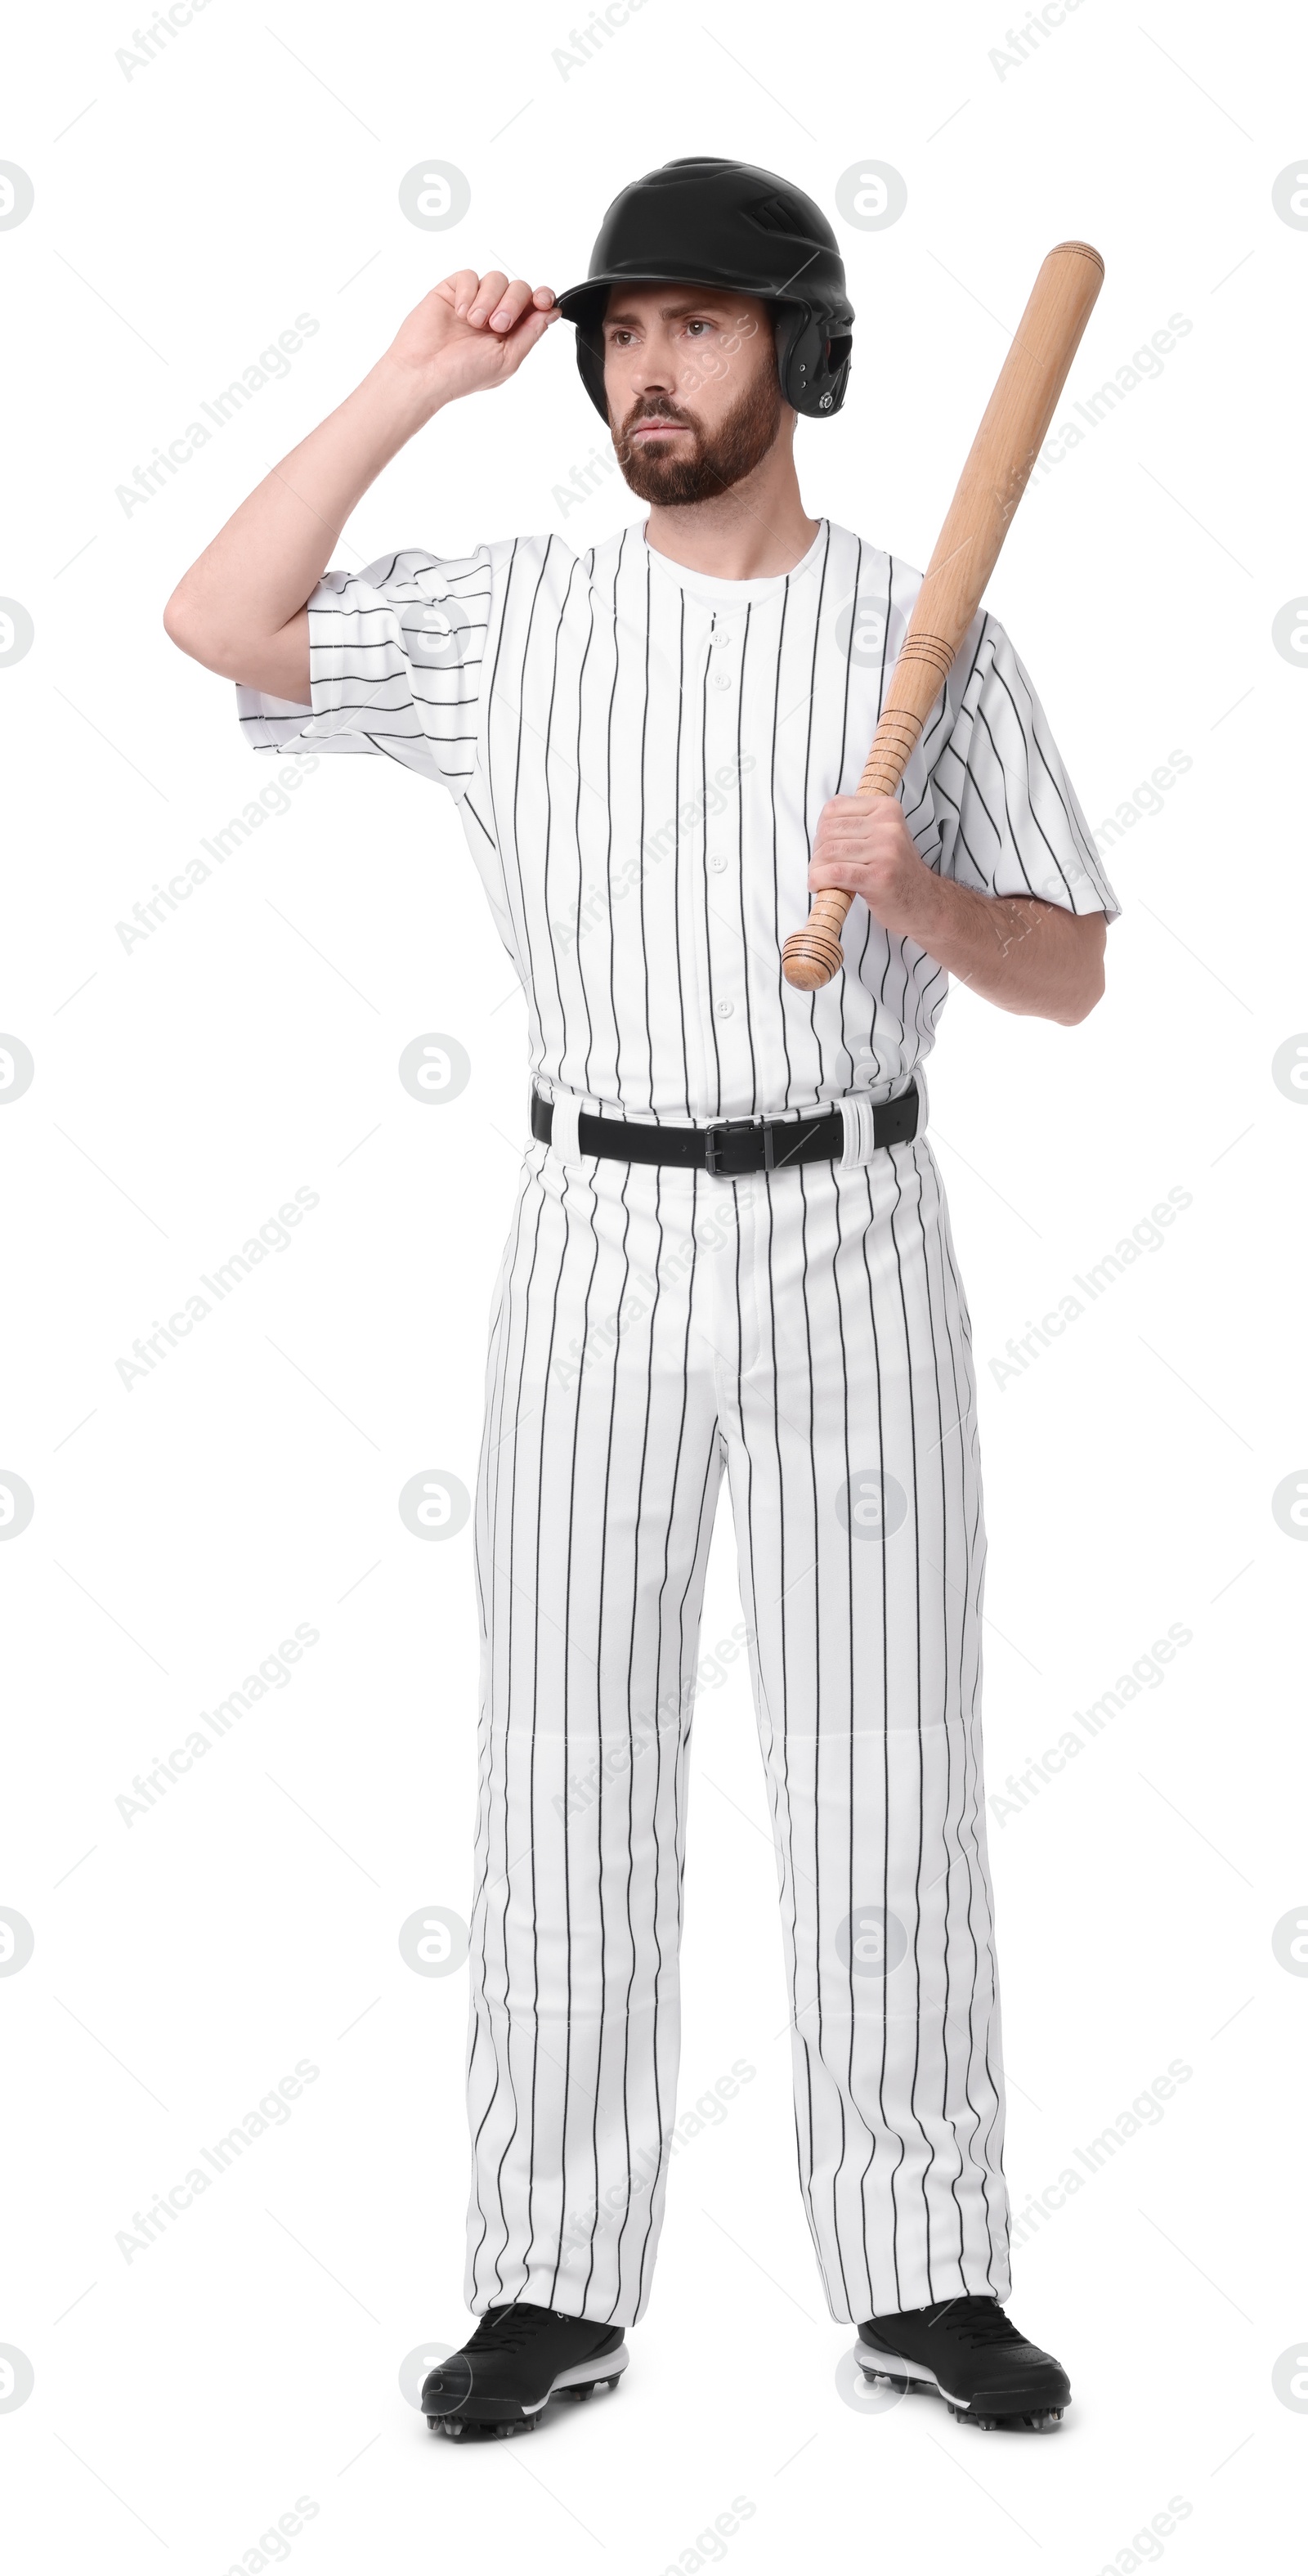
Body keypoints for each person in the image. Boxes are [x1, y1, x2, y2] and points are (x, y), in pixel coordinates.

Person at [164, 156, 1117, 2442]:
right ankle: (549, 2283)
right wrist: (413, 379)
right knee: (570, 1768)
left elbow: (1070, 974)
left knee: (884, 1759)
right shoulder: (517, 620)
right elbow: (218, 619)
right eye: (620, 332)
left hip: (859, 1234)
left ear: (799, 352)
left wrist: (930, 893)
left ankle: (926, 2267)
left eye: (696, 327)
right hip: (590, 1237)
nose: (644, 368)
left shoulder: (936, 634)